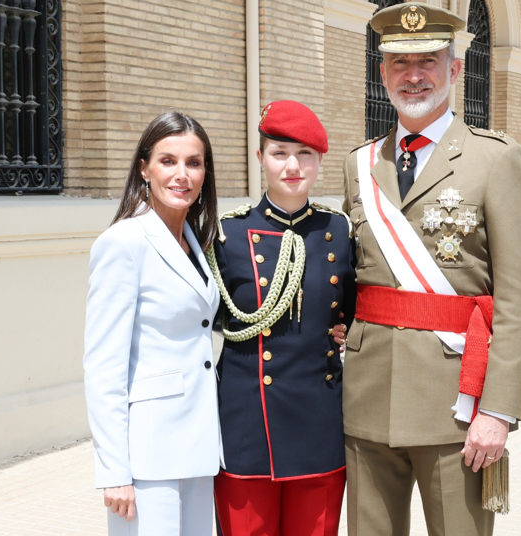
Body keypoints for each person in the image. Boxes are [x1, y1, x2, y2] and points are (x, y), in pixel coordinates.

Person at [341, 4, 521, 536]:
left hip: (457, 407)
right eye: (399, 62)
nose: (413, 75)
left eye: (428, 60)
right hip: (367, 398)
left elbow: (519, 300)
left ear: (454, 70)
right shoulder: (359, 164)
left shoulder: (495, 160)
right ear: (382, 73)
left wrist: (498, 411)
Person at [209, 100, 355, 536]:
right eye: (279, 153)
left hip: (319, 421)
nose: (292, 165)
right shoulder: (225, 234)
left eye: (304, 154)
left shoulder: (342, 231)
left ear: (319, 160)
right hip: (245, 423)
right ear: (260, 158)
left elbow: (355, 308)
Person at [83, 112, 222, 536]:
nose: (182, 175)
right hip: (147, 454)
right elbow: (103, 366)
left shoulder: (198, 240)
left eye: (194, 163)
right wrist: (114, 471)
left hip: (198, 445)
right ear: (144, 168)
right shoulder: (123, 243)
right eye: (168, 161)